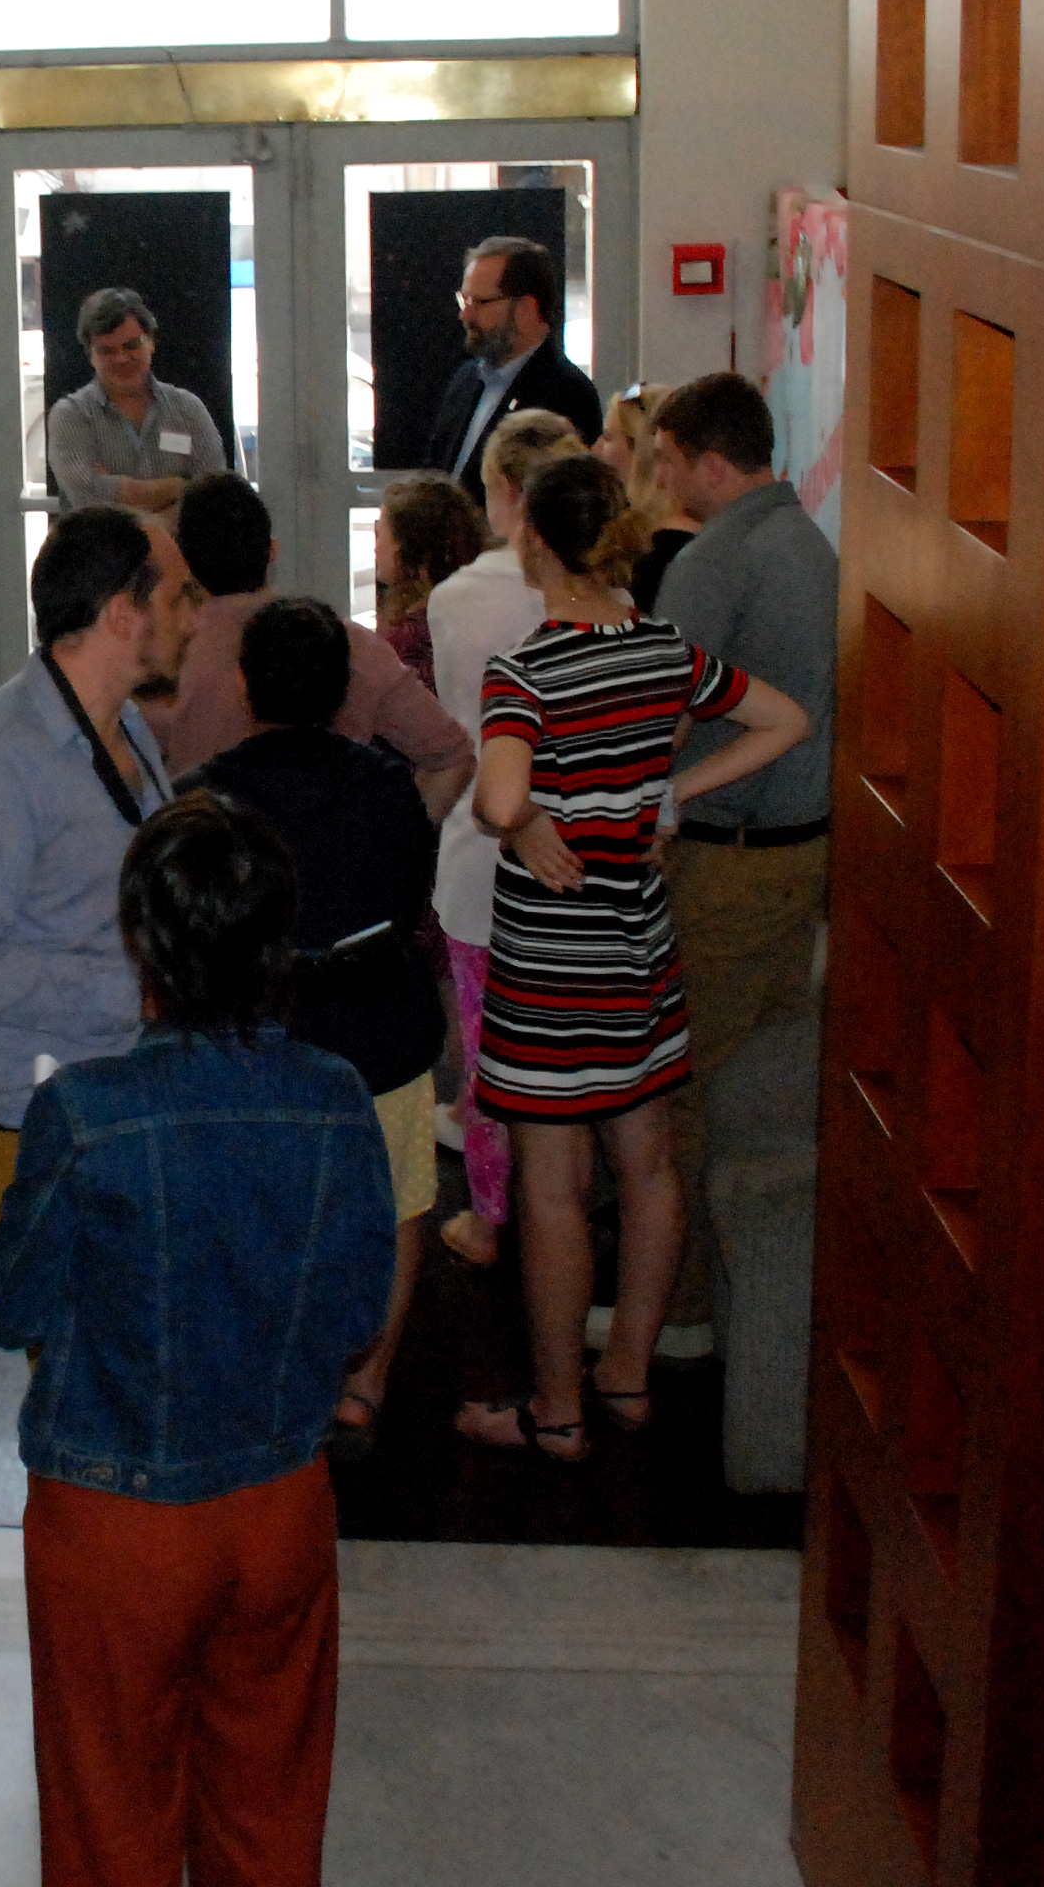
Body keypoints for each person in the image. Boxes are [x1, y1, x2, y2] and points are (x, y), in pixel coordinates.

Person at [0, 793, 393, 1887]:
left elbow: (5, 1310)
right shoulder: (336, 1097)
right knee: (268, 1806)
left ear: (141, 940)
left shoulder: (85, 1110)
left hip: (113, 1520)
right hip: (278, 1508)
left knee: (108, 1812)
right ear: (275, 940)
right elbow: (356, 1324)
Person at [458, 453, 809, 1461]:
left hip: (548, 968)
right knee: (648, 1168)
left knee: (552, 1184)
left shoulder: (524, 672)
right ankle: (626, 1378)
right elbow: (783, 719)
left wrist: (524, 822)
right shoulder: (662, 650)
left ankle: (556, 1407)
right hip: (638, 950)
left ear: (531, 541)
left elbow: (492, 797)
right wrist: (672, 798)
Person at [184, 599, 447, 1454]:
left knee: (253, 1209)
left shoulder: (204, 801)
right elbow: (408, 909)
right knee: (402, 1200)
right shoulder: (389, 788)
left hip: (251, 1047)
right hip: (380, 1036)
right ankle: (367, 1381)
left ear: (244, 683)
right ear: (343, 690)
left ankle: (261, 1368)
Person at [0, 506, 207, 1233]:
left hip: (116, 1101)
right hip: (36, 1134)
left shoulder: (126, 724)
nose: (194, 620)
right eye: (177, 597)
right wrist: (134, 992)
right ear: (121, 614)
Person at [645, 371, 841, 1342]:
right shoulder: (808, 542)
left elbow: (656, 716)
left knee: (678, 1083)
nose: (659, 476)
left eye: (667, 460)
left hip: (725, 864)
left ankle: (673, 1311)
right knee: (759, 1083)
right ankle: (746, 1301)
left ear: (709, 465)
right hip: (801, 857)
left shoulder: (712, 560)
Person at [424, 409, 588, 1271]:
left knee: (484, 1048)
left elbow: (464, 727)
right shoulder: (613, 597)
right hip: (581, 856)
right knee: (566, 1052)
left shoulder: (456, 600)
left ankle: (491, 1216)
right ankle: (562, 1208)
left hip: (481, 854)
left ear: (507, 495)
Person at [143, 474, 474, 823]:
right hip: (338, 862)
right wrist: (392, 843)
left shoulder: (157, 661)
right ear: (272, 550)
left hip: (209, 862)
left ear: (187, 565)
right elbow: (452, 757)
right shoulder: (349, 645)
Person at [418, 233, 604, 487]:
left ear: (526, 309)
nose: (465, 314)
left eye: (479, 302)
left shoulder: (568, 394)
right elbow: (435, 472)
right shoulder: (466, 380)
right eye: (464, 299)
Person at [41, 287, 229, 513]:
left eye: (132, 345)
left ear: (151, 342)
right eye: (106, 351)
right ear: (90, 355)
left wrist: (117, 492)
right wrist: (178, 486)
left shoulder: (188, 409)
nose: (121, 359)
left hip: (182, 549)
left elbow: (215, 496)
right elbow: (88, 499)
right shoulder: (71, 416)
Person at [371, 471, 486, 688]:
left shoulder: (410, 637)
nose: (375, 547)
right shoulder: (478, 606)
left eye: (380, 534)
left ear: (407, 544)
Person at [600, 388, 701, 613]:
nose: (597, 448)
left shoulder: (652, 551)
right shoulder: (703, 533)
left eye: (608, 437)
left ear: (638, 448)